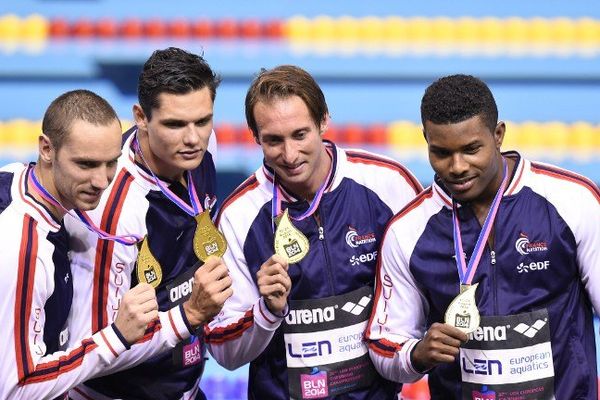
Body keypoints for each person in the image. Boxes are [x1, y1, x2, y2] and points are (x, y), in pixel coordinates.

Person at [366, 74, 600, 399]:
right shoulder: (408, 231)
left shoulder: (572, 201)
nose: (457, 166)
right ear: (426, 140)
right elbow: (384, 344)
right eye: (441, 153)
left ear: (498, 134)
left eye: (471, 149)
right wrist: (416, 354)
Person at [205, 65, 423, 399]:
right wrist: (266, 311)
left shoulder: (389, 185)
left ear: (323, 120)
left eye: (300, 134)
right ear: (255, 137)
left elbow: (427, 294)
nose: (290, 155)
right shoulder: (240, 215)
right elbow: (225, 353)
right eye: (274, 141)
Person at [65, 47, 232, 400]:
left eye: (203, 121)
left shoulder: (201, 149)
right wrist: (190, 314)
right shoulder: (111, 210)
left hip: (185, 387)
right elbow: (93, 352)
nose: (193, 138)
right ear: (141, 117)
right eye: (174, 124)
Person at [0, 89, 161, 399]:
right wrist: (115, 337)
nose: (101, 180)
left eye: (110, 163)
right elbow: (15, 388)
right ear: (46, 148)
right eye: (86, 164)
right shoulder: (24, 248)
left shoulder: (13, 176)